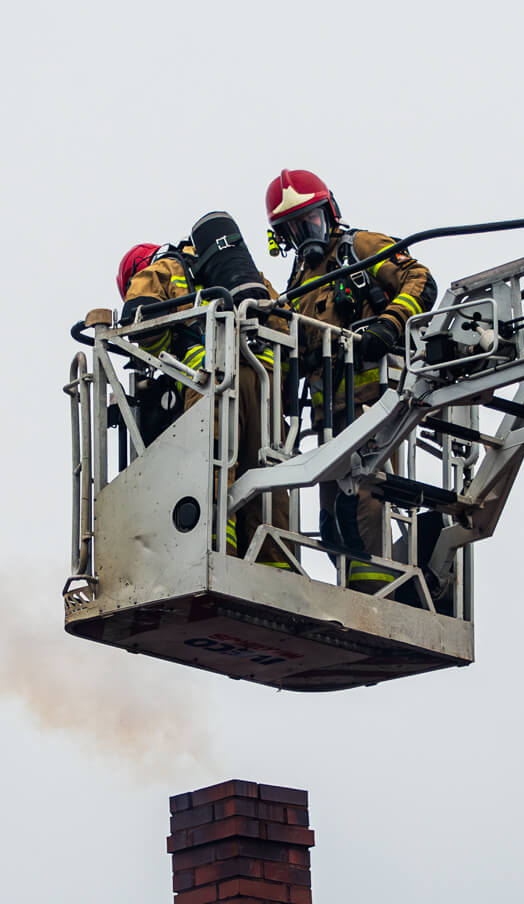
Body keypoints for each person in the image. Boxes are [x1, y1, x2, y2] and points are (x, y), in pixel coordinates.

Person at [265, 169, 436, 595]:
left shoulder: (358, 248)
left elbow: (420, 279)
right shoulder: (300, 282)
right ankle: (357, 593)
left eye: (310, 221)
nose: (306, 235)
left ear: (330, 212)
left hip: (372, 407)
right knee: (332, 521)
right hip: (327, 421)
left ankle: (378, 598)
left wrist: (389, 324)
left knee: (361, 507)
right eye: (293, 229)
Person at [116, 215, 293, 569]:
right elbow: (284, 324)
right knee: (267, 473)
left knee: (211, 466)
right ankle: (275, 566)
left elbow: (140, 326)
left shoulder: (160, 269)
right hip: (263, 384)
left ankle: (212, 553)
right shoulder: (250, 277)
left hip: (209, 383)